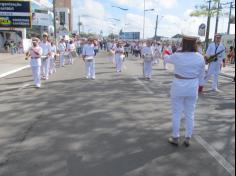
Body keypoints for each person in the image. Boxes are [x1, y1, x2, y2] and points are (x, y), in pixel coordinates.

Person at [164, 35, 205, 147]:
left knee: (177, 113)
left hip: (178, 86)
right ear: (195, 44)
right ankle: (188, 137)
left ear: (183, 43)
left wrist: (166, 51)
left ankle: (175, 137)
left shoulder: (178, 55)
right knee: (190, 113)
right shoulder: (200, 57)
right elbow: (202, 74)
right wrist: (201, 86)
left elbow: (166, 58)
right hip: (192, 86)